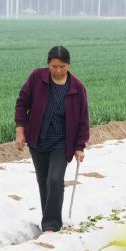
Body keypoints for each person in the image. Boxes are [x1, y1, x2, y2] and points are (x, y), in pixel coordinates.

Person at [14, 45, 90, 233]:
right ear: (48, 64)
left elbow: (82, 119)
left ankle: (51, 225)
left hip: (62, 142)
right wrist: (20, 130)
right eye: (54, 66)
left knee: (55, 179)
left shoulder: (77, 88)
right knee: (44, 181)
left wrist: (80, 146)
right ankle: (48, 219)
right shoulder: (36, 78)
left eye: (62, 67)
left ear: (69, 66)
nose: (58, 70)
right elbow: (22, 103)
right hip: (37, 139)